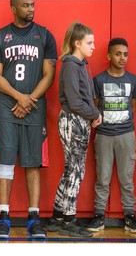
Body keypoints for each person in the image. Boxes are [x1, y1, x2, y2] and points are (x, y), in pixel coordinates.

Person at [0, 0, 58, 239]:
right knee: (5, 161)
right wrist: (19, 97)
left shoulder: (45, 35)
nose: (31, 9)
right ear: (13, 8)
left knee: (32, 163)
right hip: (8, 106)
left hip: (34, 107)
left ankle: (33, 217)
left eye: (33, 5)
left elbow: (49, 75)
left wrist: (29, 99)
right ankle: (4, 217)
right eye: (26, 5)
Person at [45, 22, 102, 237]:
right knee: (76, 171)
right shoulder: (70, 65)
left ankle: (58, 217)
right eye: (89, 42)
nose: (93, 46)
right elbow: (74, 101)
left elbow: (83, 99)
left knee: (72, 169)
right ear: (77, 43)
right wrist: (94, 114)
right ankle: (69, 220)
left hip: (79, 120)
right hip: (73, 121)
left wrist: (92, 114)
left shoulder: (79, 64)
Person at [86, 38, 136, 233]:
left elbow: (133, 105)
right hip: (103, 135)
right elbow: (95, 105)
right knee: (103, 177)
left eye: (125, 54)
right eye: (118, 54)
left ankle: (130, 216)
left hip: (126, 134)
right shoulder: (99, 80)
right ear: (109, 55)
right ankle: (99, 216)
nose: (122, 58)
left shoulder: (133, 80)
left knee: (126, 177)